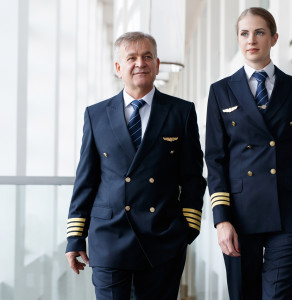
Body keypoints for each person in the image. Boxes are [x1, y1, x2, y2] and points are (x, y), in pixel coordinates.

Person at [65, 31, 206, 300]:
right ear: (119, 68)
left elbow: (192, 177)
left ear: (157, 64)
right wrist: (75, 237)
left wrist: (188, 228)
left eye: (147, 56)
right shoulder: (96, 115)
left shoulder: (181, 112)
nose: (140, 63)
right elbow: (86, 180)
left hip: (163, 237)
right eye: (131, 57)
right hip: (109, 237)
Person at [205, 7, 292, 300]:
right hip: (240, 214)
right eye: (244, 33)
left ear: (274, 38)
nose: (251, 39)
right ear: (238, 39)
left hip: (290, 212)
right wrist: (221, 219)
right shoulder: (220, 91)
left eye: (259, 32)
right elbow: (215, 160)